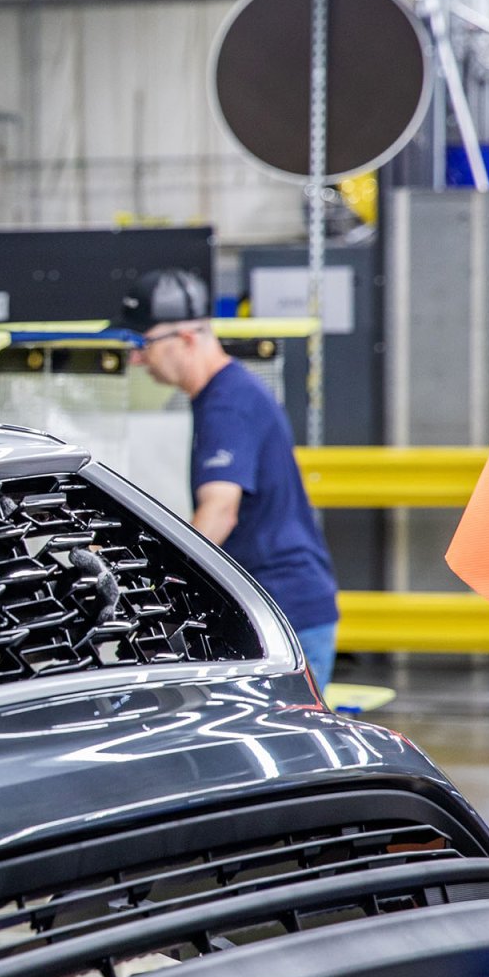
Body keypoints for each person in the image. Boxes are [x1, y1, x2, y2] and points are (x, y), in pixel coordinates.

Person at [117, 268, 339, 692]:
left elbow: (220, 511)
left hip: (281, 611)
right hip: (280, 606)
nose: (137, 360)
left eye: (143, 344)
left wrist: (160, 588)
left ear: (185, 339)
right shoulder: (223, 395)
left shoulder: (226, 405)